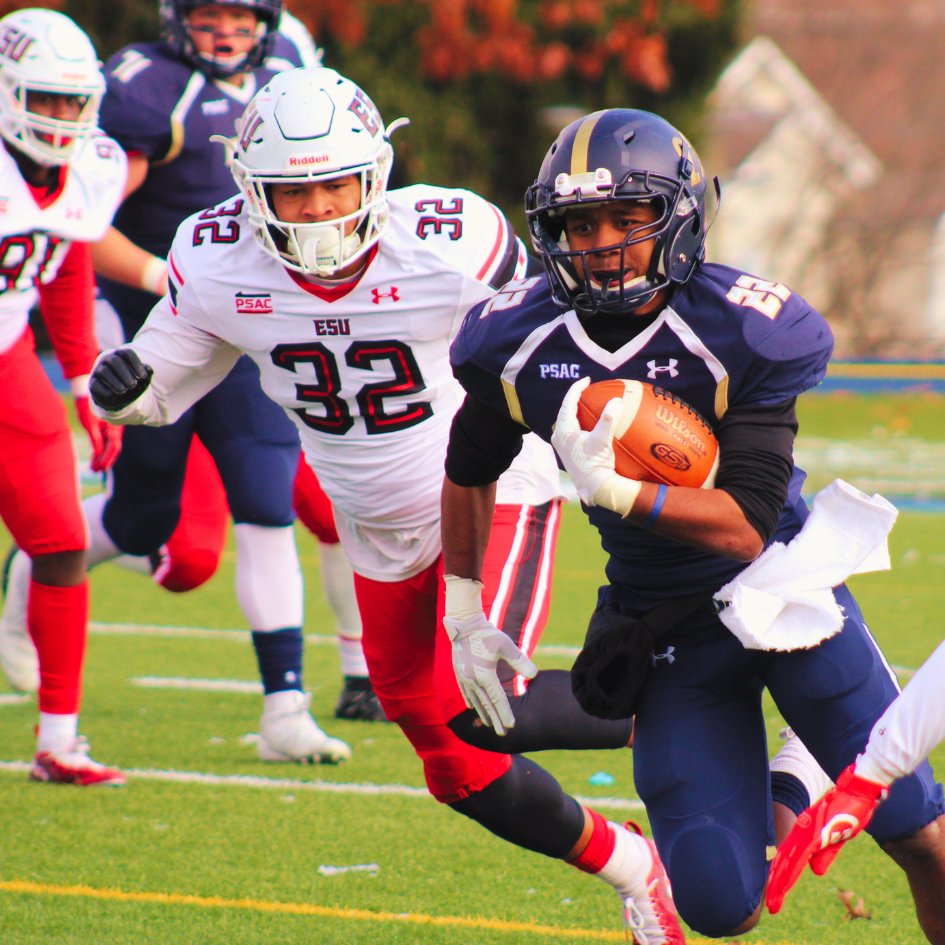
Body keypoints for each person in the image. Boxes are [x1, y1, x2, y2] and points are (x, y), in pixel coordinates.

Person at [84, 68, 699, 944]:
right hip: (372, 523)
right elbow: (156, 391)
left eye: (337, 182)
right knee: (452, 761)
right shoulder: (216, 258)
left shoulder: (450, 239)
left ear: (376, 172)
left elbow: (557, 342)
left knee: (493, 701)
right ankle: (638, 869)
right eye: (295, 191)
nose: (321, 207)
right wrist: (121, 391)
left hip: (487, 488)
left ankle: (721, 702)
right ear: (252, 191)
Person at [441, 107, 945, 942]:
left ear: (675, 217)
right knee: (719, 906)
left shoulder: (742, 325)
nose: (602, 242)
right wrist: (464, 607)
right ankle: (795, 780)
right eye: (579, 222)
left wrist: (621, 492)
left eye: (627, 218)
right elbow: (468, 468)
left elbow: (747, 524)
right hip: (664, 620)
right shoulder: (519, 338)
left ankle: (809, 757)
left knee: (918, 836)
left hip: (785, 597)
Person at [0, 0, 358, 757]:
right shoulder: (148, 88)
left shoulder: (291, 71)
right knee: (144, 522)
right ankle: (34, 569)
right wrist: (164, 280)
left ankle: (286, 707)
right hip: (160, 331)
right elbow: (86, 231)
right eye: (209, 15)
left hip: (251, 321)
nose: (226, 32)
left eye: (240, 16)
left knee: (269, 504)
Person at [0, 8, 126, 785]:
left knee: (60, 541)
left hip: (11, 352)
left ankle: (58, 739)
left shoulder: (93, 167)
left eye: (72, 102)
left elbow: (69, 257)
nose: (60, 117)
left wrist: (83, 381)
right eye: (43, 100)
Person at [767, 635, 945, 914]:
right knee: (726, 905)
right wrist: (868, 779)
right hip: (693, 637)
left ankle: (808, 755)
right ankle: (810, 754)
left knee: (909, 816)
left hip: (795, 606)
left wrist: (868, 780)